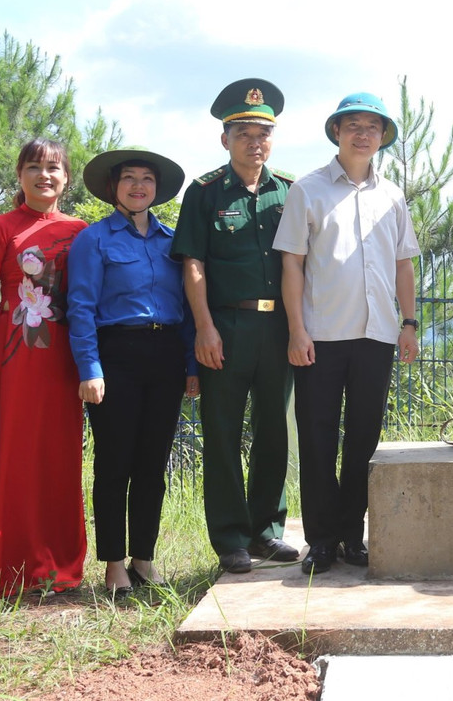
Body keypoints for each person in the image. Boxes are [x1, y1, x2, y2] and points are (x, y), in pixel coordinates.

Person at [273, 92, 421, 575]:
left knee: (363, 441)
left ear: (382, 137)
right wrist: (297, 330)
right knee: (318, 441)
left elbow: (403, 264)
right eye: (353, 125)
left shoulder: (392, 195)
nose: (363, 134)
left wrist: (408, 323)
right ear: (336, 131)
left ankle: (352, 536)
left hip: (376, 336)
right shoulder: (308, 190)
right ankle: (320, 540)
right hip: (321, 335)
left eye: (372, 127)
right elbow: (292, 265)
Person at [171, 79, 298, 574]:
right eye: (243, 133)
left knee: (274, 431)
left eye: (263, 133)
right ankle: (230, 538)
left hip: (279, 327)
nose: (254, 142)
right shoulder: (204, 193)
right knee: (222, 433)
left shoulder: (288, 191)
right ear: (225, 139)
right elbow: (193, 264)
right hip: (225, 325)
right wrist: (204, 328)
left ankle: (266, 532)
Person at [68, 150, 199, 596]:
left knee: (152, 463)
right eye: (129, 178)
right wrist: (90, 368)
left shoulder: (173, 242)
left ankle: (144, 557)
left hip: (165, 357)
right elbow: (80, 308)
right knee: (114, 462)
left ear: (157, 190)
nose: (138, 186)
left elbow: (187, 310)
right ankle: (113, 563)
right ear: (114, 187)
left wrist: (191, 365)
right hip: (116, 356)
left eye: (147, 179)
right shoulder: (93, 239)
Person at [0, 139, 88, 596]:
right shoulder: (0, 227)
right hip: (11, 357)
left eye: (53, 168)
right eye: (34, 167)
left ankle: (56, 565)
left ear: (66, 178)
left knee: (58, 456)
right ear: (20, 175)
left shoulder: (81, 230)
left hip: (64, 359)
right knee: (12, 456)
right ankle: (8, 564)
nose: (44, 176)